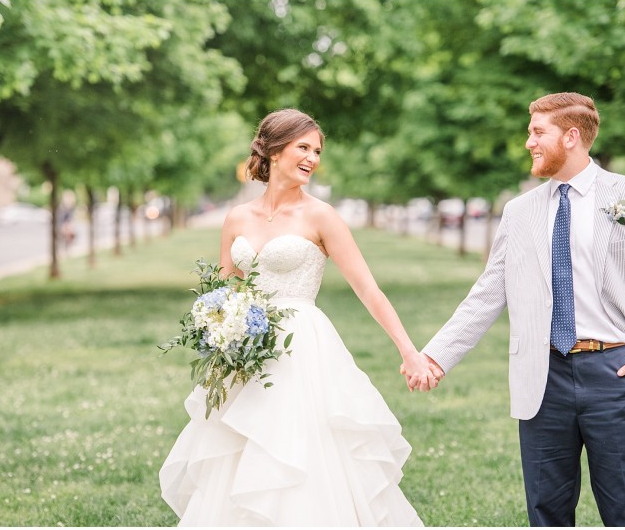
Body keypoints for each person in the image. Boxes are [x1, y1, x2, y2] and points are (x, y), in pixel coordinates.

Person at [159, 108, 439, 526]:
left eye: (317, 150)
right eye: (303, 147)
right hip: (247, 355)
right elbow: (223, 291)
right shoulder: (237, 218)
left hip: (302, 351)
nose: (312, 158)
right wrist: (219, 329)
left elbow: (367, 288)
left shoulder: (321, 216)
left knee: (303, 453)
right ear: (273, 150)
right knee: (242, 452)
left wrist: (409, 350)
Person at [414, 92, 625, 526]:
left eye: (538, 132)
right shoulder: (519, 211)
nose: (529, 143)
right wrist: (436, 356)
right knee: (546, 513)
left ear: (572, 136)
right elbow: (487, 291)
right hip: (544, 379)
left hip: (616, 373)